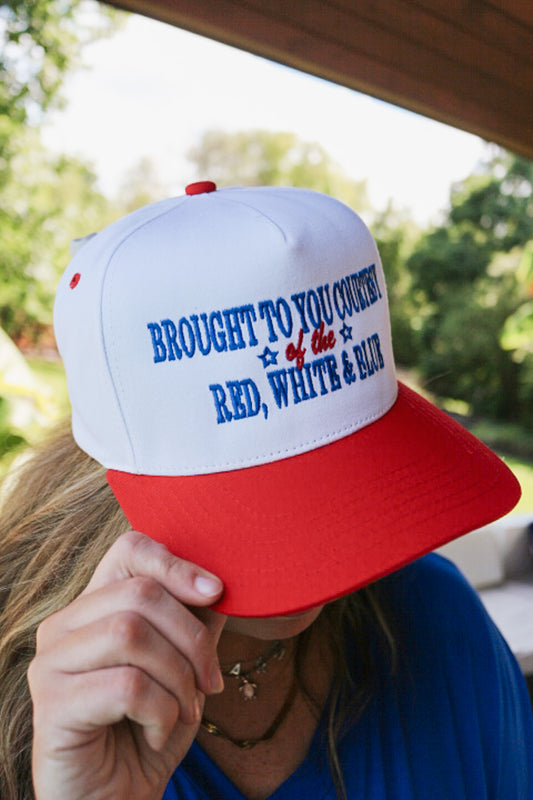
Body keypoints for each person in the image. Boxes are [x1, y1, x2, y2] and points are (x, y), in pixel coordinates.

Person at [0, 182, 532, 800]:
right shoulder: (32, 691)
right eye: (263, 491)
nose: (325, 537)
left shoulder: (438, 617)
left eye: (355, 474)